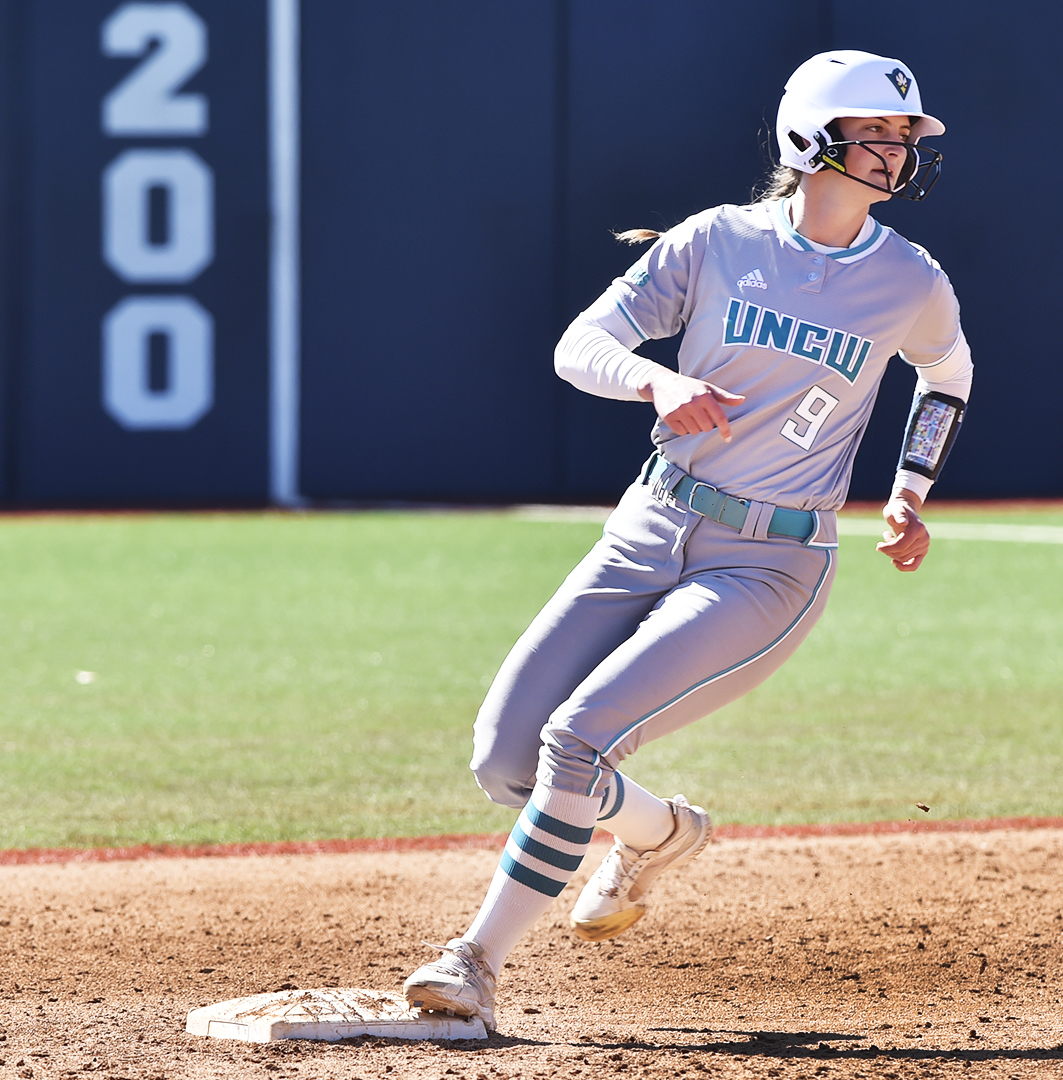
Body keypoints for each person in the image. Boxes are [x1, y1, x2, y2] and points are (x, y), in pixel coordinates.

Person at [399, 50, 975, 1030]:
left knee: (574, 741)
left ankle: (474, 963)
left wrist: (910, 488)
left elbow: (948, 373)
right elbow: (579, 344)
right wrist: (654, 381)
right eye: (874, 133)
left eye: (903, 137)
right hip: (652, 519)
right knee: (505, 760)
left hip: (769, 563)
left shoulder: (908, 279)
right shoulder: (715, 243)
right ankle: (661, 834)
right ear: (812, 140)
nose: (895, 153)